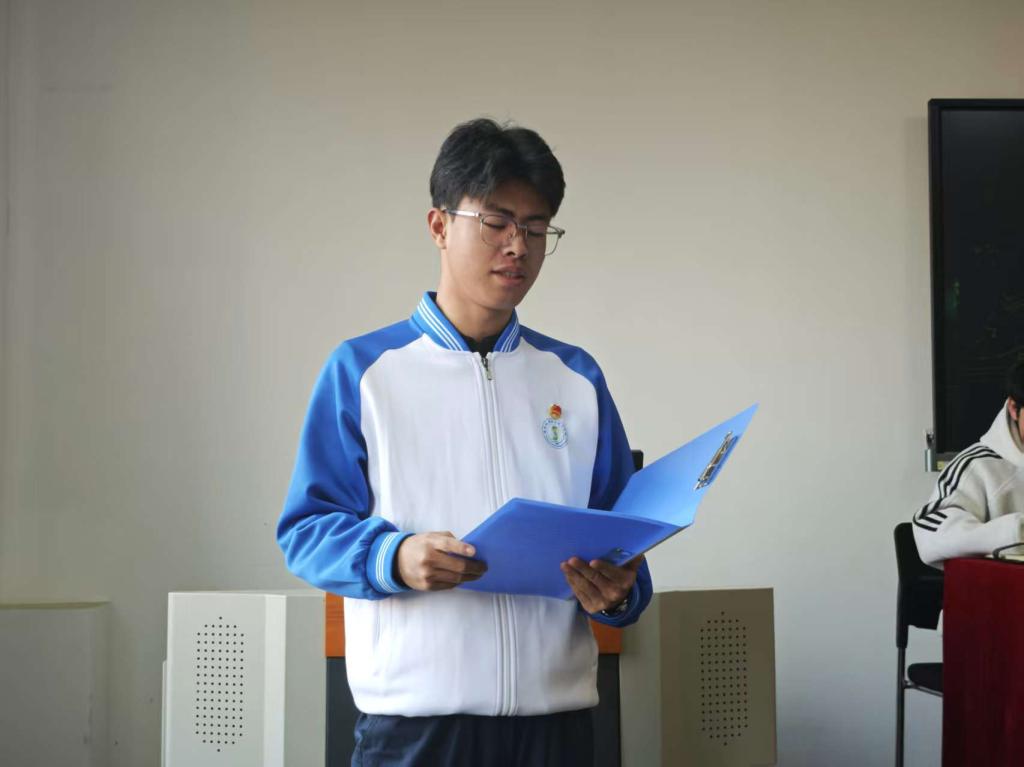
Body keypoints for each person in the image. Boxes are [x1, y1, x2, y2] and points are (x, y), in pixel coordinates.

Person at [277, 117, 653, 766]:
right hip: (416, 732)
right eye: (497, 221)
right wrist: (394, 556)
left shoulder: (577, 377)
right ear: (439, 225)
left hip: (556, 728)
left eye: (536, 228)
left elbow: (624, 538)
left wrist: (619, 593)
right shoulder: (363, 371)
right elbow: (306, 529)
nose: (517, 246)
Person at [913, 358, 1024, 567]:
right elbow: (927, 533)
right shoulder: (976, 465)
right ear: (1013, 408)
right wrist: (1017, 531)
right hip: (1001, 586)